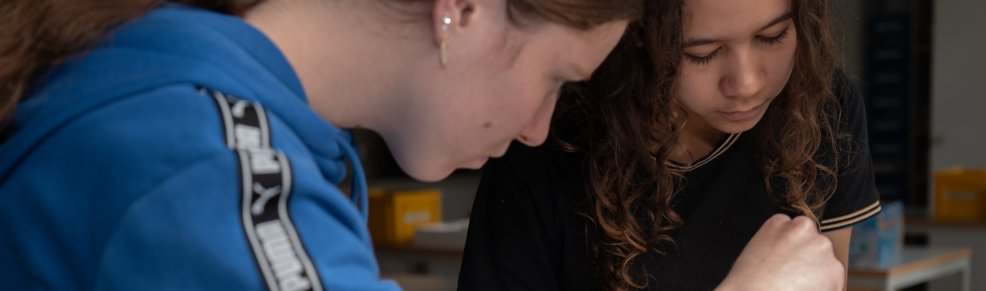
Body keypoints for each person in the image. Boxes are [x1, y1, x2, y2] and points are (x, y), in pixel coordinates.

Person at [0, 0, 849, 290]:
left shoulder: (251, 138)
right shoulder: (209, 171)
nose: (539, 128)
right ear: (463, 11)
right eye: (557, 79)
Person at [458, 0, 880, 289]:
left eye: (772, 36)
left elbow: (830, 276)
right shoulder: (546, 139)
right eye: (703, 53)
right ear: (639, 34)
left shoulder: (823, 107)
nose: (748, 83)